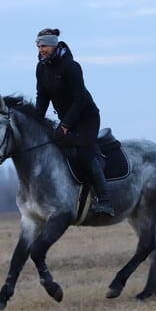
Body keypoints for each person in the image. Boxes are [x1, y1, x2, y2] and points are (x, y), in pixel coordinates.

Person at [34, 27, 115, 217]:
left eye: (44, 45)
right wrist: (36, 122)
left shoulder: (71, 66)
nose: (40, 49)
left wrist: (65, 125)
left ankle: (106, 202)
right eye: (38, 46)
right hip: (68, 120)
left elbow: (80, 99)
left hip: (87, 119)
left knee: (85, 156)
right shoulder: (41, 68)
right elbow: (42, 98)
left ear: (53, 45)